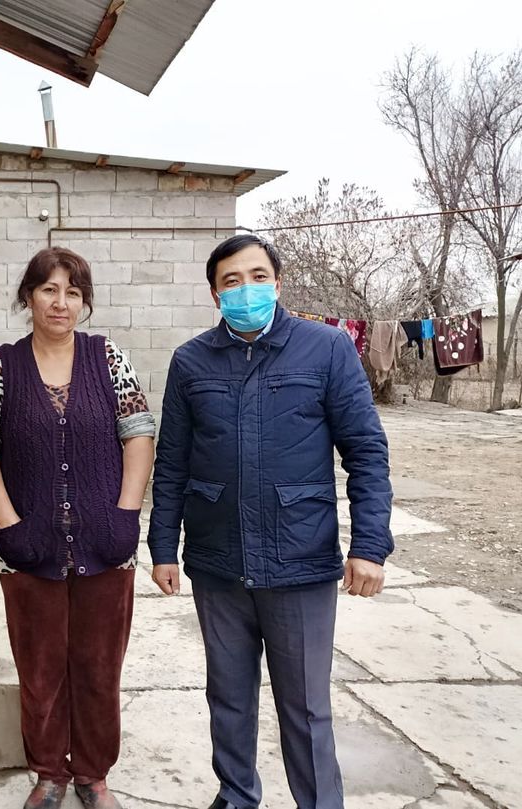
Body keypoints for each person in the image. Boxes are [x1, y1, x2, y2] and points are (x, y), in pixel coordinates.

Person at [147, 234, 393, 809]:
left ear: (278, 283)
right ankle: (236, 795)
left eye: (258, 277)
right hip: (217, 561)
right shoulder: (191, 361)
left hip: (299, 559)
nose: (246, 289)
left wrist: (370, 546)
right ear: (215, 294)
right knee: (228, 697)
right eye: (231, 281)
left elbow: (365, 451)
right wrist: (162, 547)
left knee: (305, 707)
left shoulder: (326, 348)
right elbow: (172, 461)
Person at [0, 247, 156, 809]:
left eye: (73, 292)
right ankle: (49, 773)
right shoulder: (3, 365)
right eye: (49, 289)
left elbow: (139, 434)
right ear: (28, 296)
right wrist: (8, 523)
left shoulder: (107, 357)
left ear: (84, 302)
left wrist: (126, 514)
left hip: (106, 544)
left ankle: (93, 775)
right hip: (28, 548)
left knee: (99, 669)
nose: (60, 302)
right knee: (41, 671)